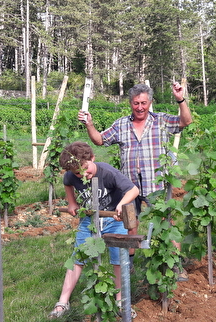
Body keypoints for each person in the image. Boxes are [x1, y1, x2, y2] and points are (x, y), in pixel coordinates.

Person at [78, 82, 192, 281]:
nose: (140, 107)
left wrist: (180, 99)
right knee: (130, 223)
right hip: (128, 187)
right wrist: (89, 124)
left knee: (166, 222)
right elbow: (99, 140)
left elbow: (185, 121)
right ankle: (128, 264)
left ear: (150, 103)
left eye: (144, 103)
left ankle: (175, 265)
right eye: (136, 103)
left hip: (155, 185)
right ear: (130, 103)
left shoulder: (161, 121)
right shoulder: (121, 124)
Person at [49, 141, 139, 319]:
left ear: (92, 158)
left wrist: (121, 205)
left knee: (118, 259)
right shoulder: (71, 175)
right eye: (78, 173)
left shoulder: (107, 172)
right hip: (89, 219)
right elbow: (67, 182)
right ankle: (63, 302)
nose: (83, 175)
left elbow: (133, 190)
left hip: (114, 219)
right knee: (78, 256)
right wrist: (72, 202)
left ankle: (120, 301)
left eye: (86, 169)